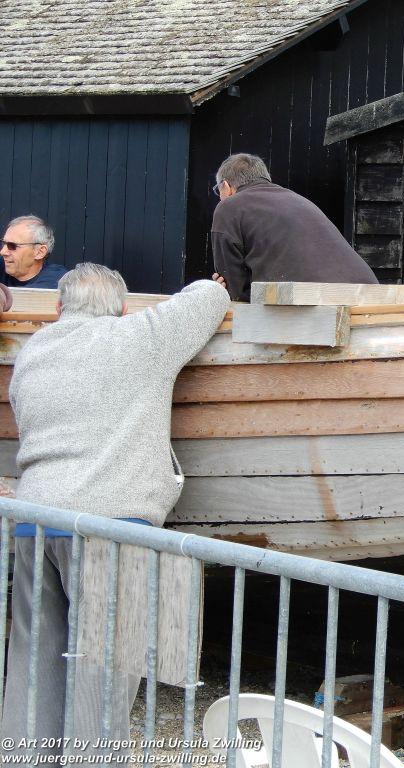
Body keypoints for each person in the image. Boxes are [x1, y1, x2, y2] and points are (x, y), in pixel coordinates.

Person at [0, 264, 230, 759]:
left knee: (32, 659)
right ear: (123, 308)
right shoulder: (139, 338)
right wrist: (216, 282)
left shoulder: (33, 352)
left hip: (34, 521)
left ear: (59, 309)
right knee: (103, 672)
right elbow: (205, 303)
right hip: (114, 526)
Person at [210, 153, 378, 301]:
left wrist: (221, 289)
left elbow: (234, 291)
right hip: (370, 292)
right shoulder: (299, 200)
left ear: (226, 186)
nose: (220, 198)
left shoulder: (229, 206)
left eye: (219, 191)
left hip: (311, 299)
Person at [1, 215, 67, 288]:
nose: (3, 252)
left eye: (12, 245)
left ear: (40, 252)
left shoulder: (56, 278)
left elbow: (29, 296)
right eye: (4, 243)